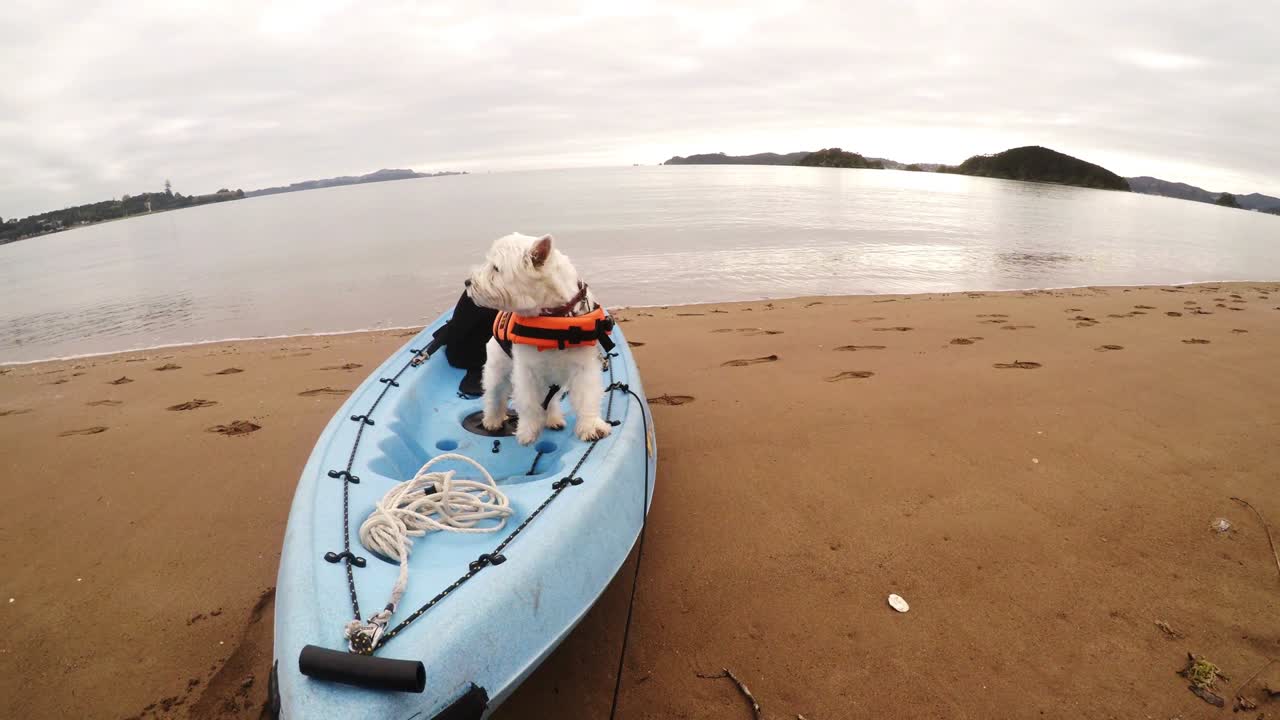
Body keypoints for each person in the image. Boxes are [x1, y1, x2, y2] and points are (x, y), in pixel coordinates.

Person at [428, 286, 497, 397]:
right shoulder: (501, 291)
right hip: (472, 357)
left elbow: (458, 324)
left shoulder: (478, 283)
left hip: (457, 350)